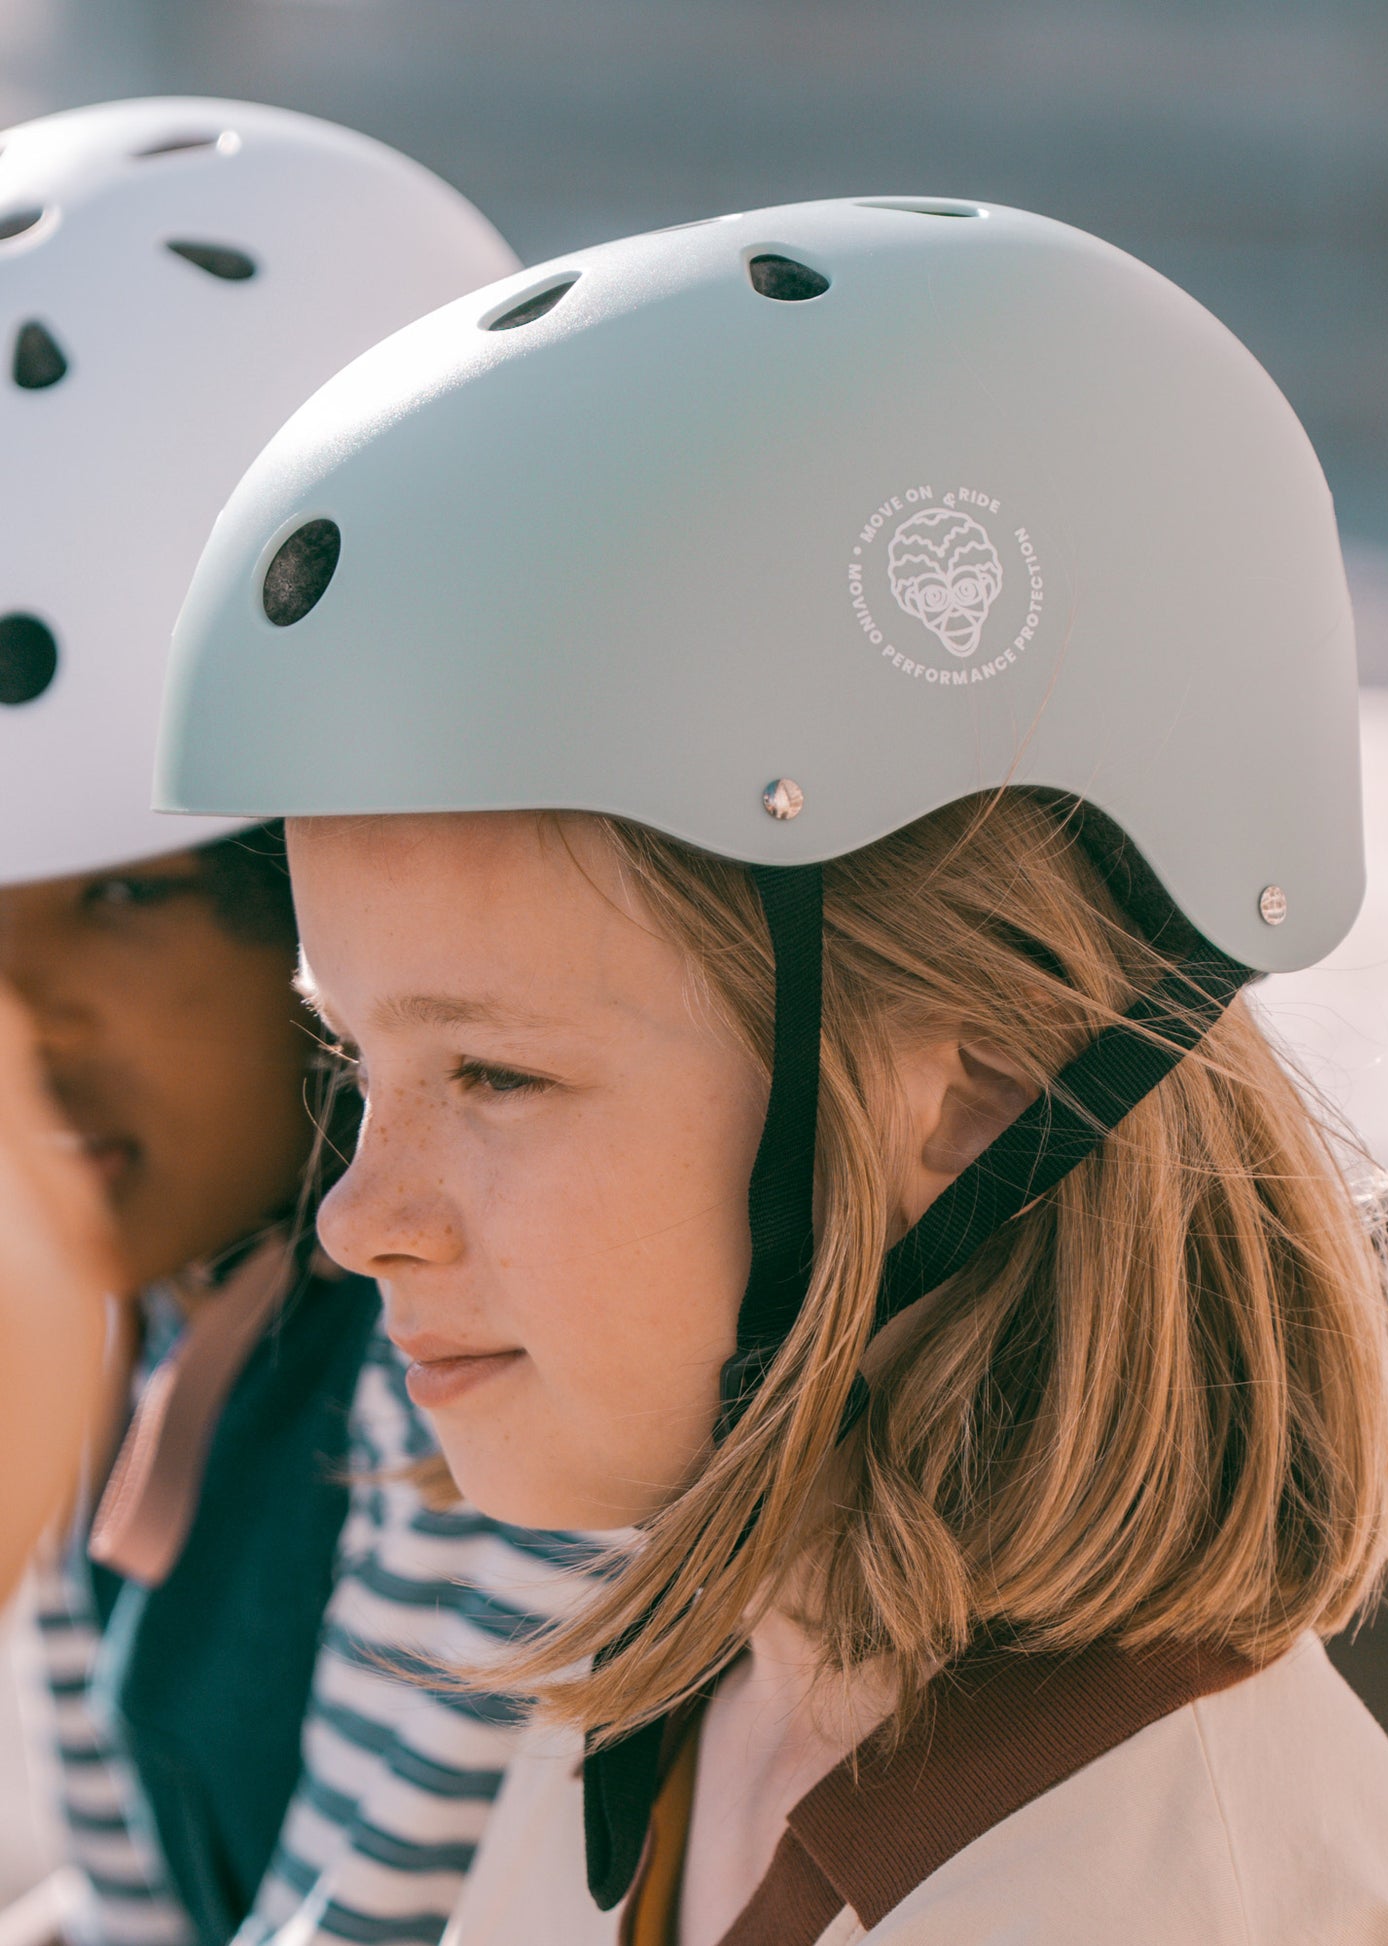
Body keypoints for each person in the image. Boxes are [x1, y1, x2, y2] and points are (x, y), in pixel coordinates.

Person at [152, 197, 1388, 1942]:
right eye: (356, 1057)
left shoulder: (1135, 1898)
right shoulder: (701, 1690)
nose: (359, 1219)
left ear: (972, 1088)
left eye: (492, 1074)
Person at [0, 98, 605, 1946]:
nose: (15, 1020)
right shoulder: (147, 1292)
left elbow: (366, 1910)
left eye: (124, 897)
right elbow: (129, 1891)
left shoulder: (468, 1365)